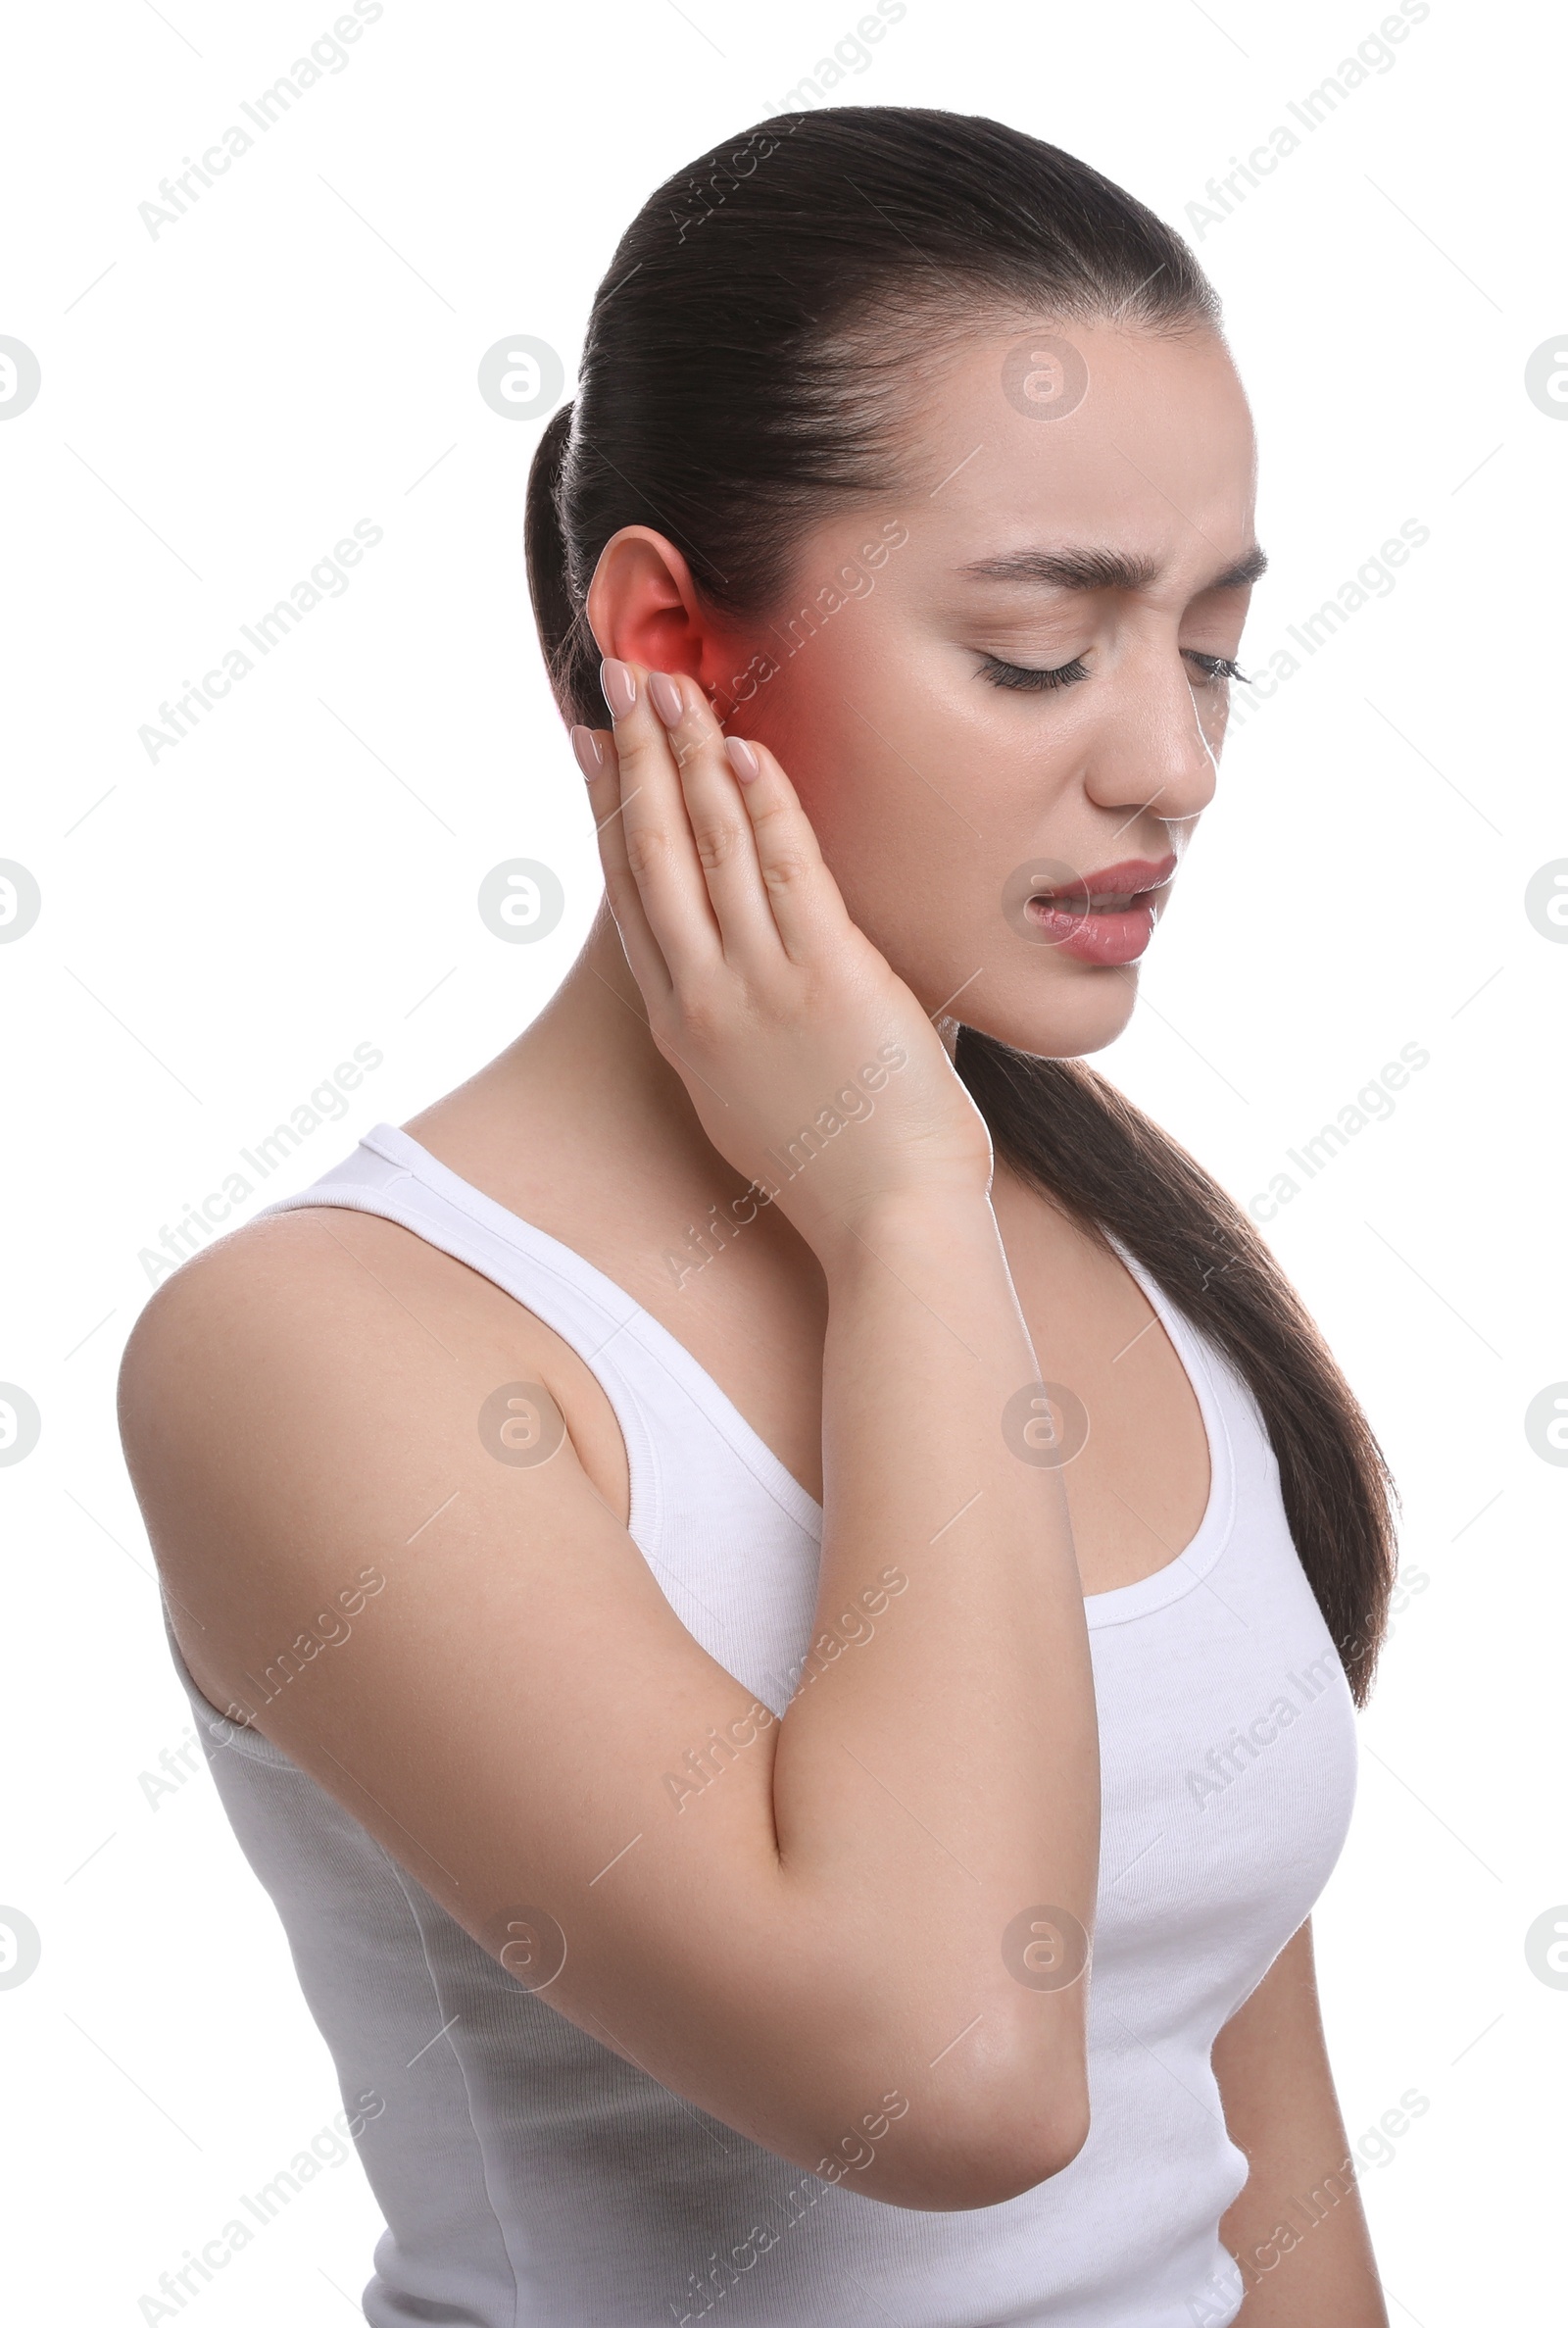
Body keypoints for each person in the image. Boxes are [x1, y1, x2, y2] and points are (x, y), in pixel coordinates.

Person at [119, 106, 1396, 2328]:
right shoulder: (320, 1351)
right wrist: (895, 1210)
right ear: (666, 645)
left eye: (1205, 647)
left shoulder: (1127, 1250)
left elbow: (1255, 2180)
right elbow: (950, 2075)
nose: (1170, 765)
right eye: (1034, 649)